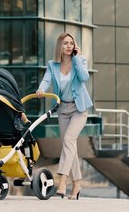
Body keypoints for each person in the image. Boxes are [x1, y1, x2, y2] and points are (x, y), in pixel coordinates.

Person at [36, 32, 92, 200]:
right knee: (70, 147)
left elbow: (84, 77)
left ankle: (62, 180)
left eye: (71, 43)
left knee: (68, 140)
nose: (68, 46)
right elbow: (46, 80)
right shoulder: (52, 65)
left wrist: (77, 58)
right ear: (59, 46)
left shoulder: (79, 61)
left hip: (79, 109)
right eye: (65, 43)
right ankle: (77, 185)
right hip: (63, 109)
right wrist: (41, 90)